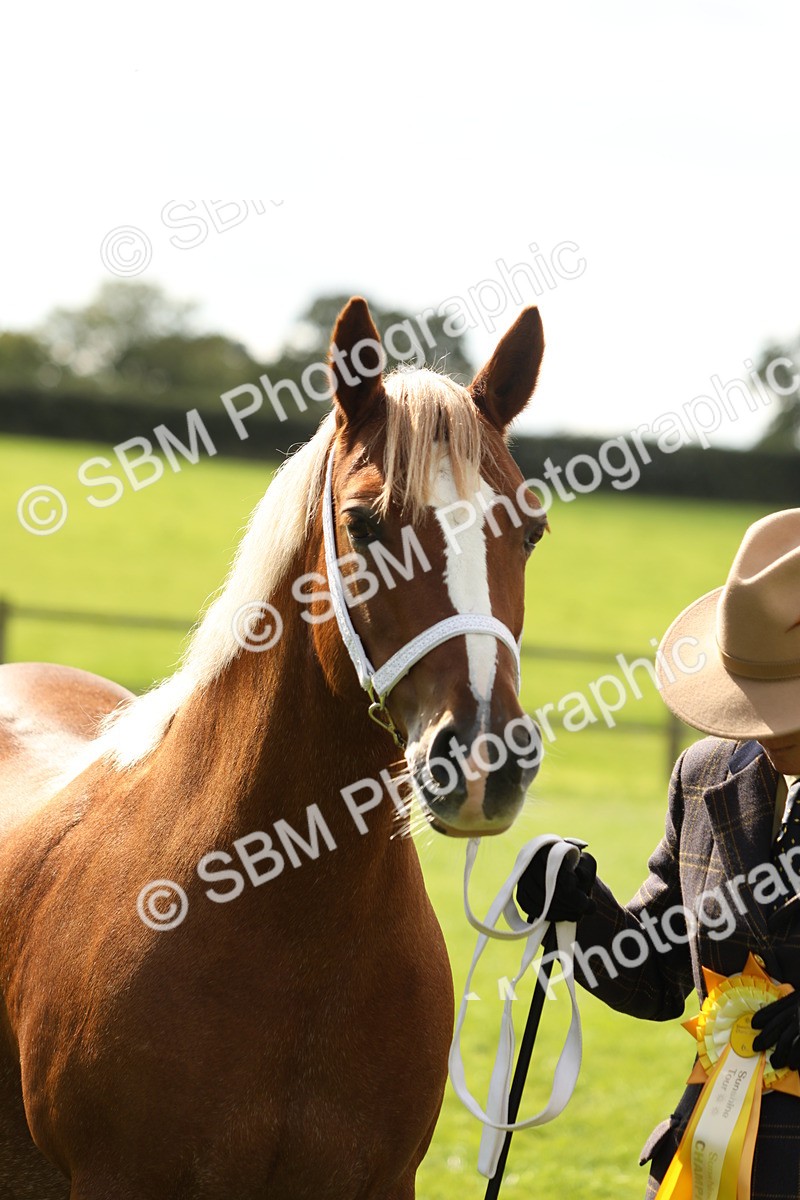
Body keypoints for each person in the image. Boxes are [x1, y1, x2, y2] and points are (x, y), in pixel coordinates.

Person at [517, 508, 800, 1200]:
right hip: (711, 1162)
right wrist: (576, 911)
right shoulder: (705, 776)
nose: (766, 730)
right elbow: (657, 974)